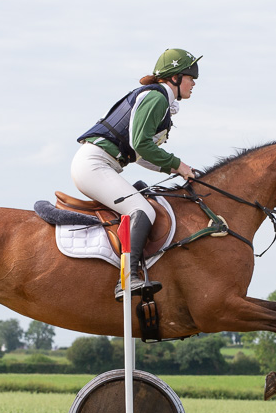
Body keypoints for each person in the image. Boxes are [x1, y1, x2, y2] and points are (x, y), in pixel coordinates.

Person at [72, 48, 200, 300]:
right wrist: (178, 164)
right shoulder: (158, 98)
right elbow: (141, 144)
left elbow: (140, 155)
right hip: (94, 164)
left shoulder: (159, 99)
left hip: (101, 163)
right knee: (143, 210)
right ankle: (128, 278)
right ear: (174, 77)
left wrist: (178, 169)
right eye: (190, 76)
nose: (194, 82)